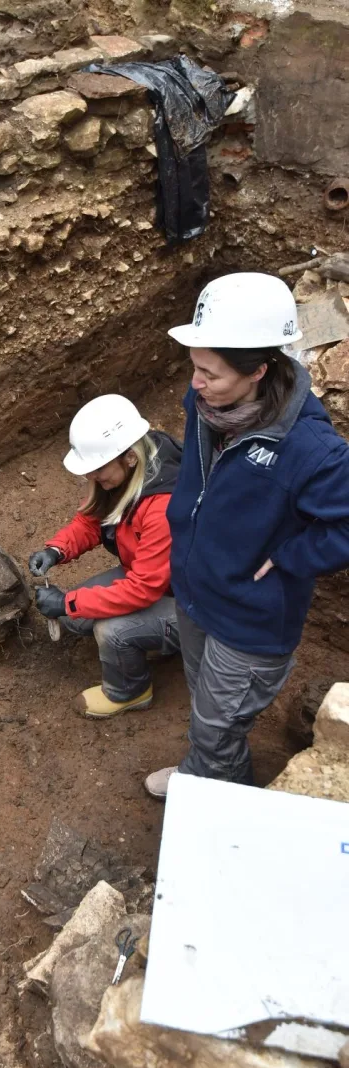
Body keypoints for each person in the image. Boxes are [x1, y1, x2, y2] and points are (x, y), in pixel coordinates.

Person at [144, 271, 349, 799]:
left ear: (258, 369)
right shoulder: (207, 406)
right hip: (195, 592)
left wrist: (290, 556)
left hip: (251, 622)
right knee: (207, 705)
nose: (195, 383)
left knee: (216, 725)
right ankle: (207, 768)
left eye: (209, 373)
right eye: (195, 367)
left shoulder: (310, 449)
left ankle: (219, 790)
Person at [30, 394, 182, 717]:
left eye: (97, 470)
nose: (91, 478)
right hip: (156, 581)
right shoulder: (126, 471)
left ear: (128, 457)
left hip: (193, 607)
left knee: (110, 630)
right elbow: (91, 520)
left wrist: (67, 601)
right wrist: (55, 550)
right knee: (78, 616)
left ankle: (130, 690)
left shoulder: (162, 505)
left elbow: (143, 589)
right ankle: (150, 638)